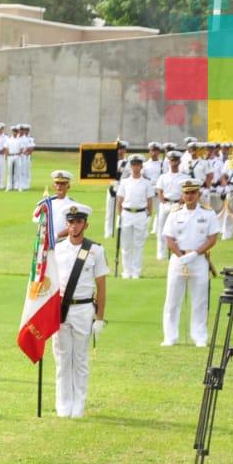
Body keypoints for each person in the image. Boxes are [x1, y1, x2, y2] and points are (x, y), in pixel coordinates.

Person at [51, 204, 109, 417]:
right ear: (66, 224)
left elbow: (101, 286)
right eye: (71, 222)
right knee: (62, 358)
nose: (74, 226)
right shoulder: (57, 248)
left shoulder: (95, 250)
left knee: (80, 359)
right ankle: (63, 404)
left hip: (84, 309)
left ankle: (78, 404)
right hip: (60, 309)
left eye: (78, 222)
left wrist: (99, 317)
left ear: (86, 224)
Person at [161, 178, 220, 347]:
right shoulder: (175, 213)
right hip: (178, 259)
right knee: (172, 300)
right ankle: (170, 336)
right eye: (186, 193)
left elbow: (212, 238)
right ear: (182, 194)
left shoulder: (208, 213)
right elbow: (169, 238)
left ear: (198, 194)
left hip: (199, 259)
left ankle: (199, 336)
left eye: (193, 192)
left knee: (200, 300)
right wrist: (181, 255)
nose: (189, 196)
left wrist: (195, 254)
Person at [116, 154, 153, 278]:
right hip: (126, 214)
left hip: (140, 214)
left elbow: (150, 202)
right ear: (130, 166)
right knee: (126, 245)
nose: (135, 167)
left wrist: (148, 216)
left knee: (138, 245)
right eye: (133, 165)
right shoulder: (125, 182)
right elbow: (120, 201)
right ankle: (127, 271)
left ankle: (136, 271)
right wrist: (120, 216)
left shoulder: (146, 183)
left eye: (138, 165)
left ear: (141, 166)